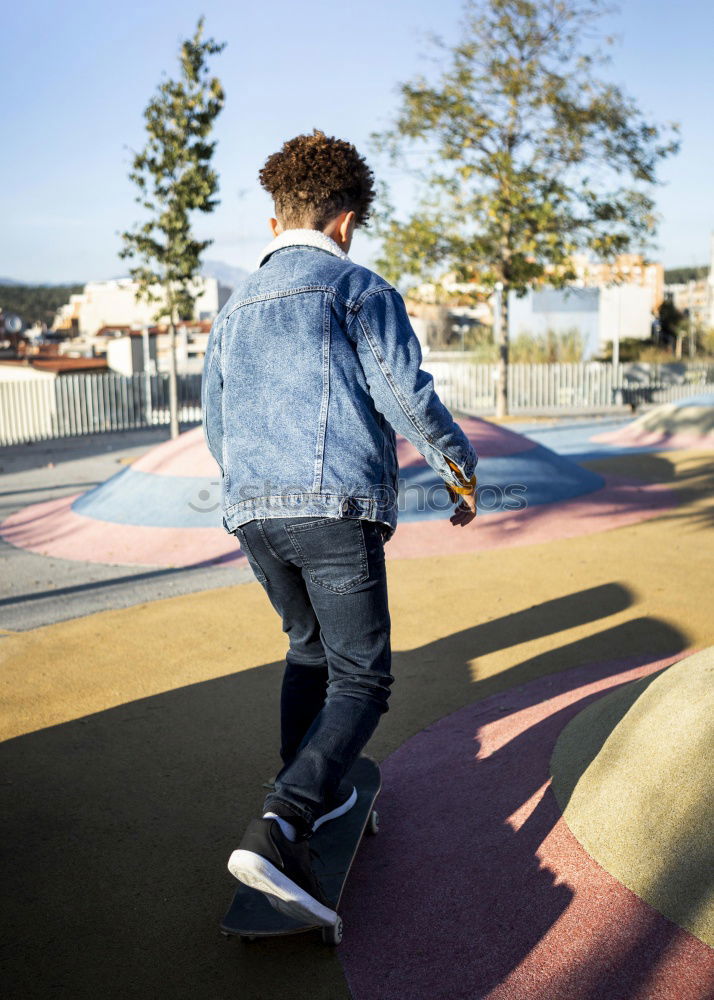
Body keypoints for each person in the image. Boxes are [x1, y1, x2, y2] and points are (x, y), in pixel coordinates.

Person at [201, 128, 478, 927]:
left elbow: (216, 425)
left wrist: (248, 497)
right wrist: (458, 472)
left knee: (308, 650)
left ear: (273, 220)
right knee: (363, 677)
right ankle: (284, 820)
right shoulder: (358, 289)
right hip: (332, 510)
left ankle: (308, 791)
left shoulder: (232, 313)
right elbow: (405, 393)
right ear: (347, 222)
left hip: (254, 514)